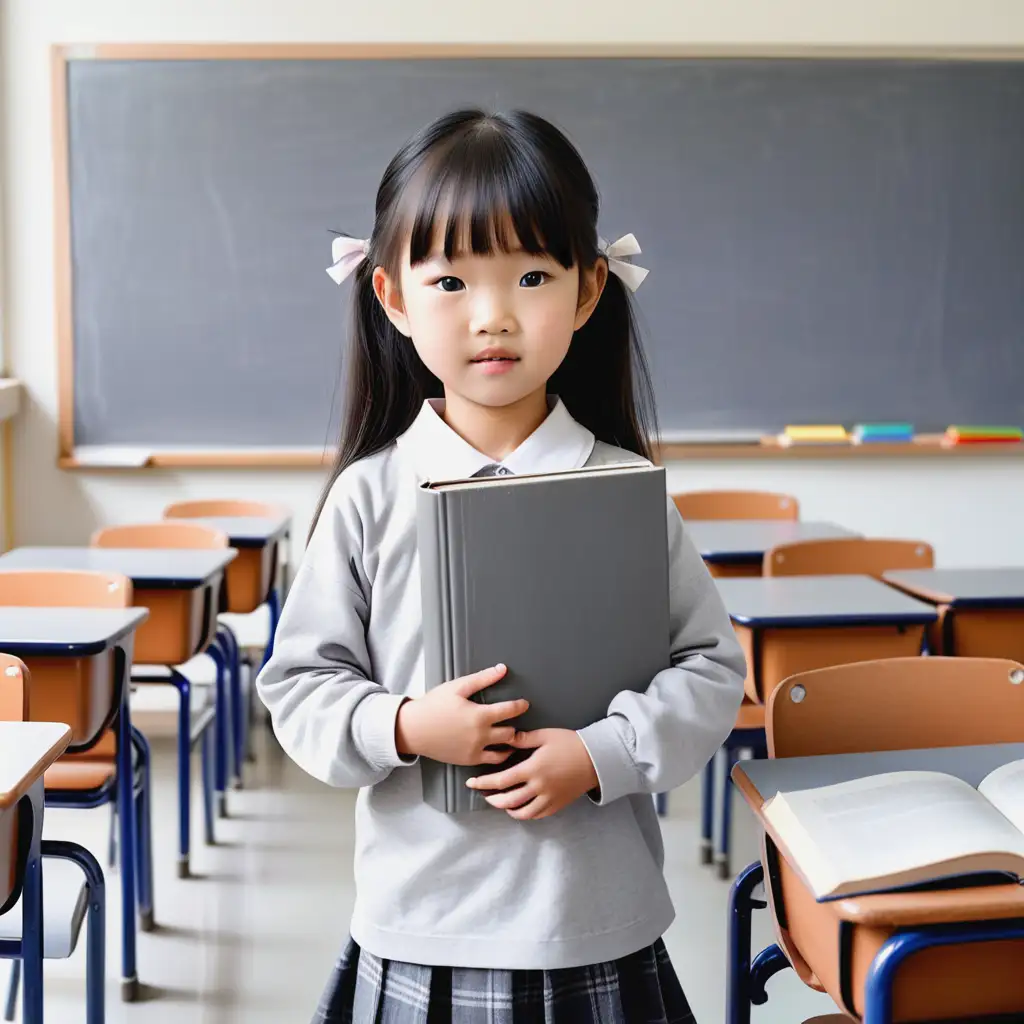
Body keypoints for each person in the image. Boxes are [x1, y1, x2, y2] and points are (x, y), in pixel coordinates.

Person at [257, 108, 745, 1024]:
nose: (494, 316)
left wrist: (603, 753)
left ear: (589, 289)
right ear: (391, 296)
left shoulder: (628, 489)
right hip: (423, 921)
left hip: (594, 919)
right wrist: (403, 725)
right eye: (450, 280)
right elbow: (300, 688)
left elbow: (712, 669)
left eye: (532, 275)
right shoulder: (370, 496)